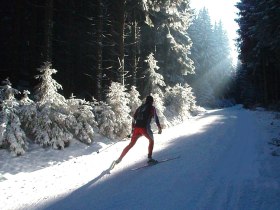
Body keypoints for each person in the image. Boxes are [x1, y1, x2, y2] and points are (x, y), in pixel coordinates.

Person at [115, 95, 162, 164]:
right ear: (152, 101)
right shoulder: (152, 108)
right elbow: (156, 118)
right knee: (151, 141)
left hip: (136, 129)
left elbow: (134, 118)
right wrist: (159, 128)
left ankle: (119, 159)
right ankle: (149, 158)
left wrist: (133, 129)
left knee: (131, 144)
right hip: (144, 129)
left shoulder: (140, 108)